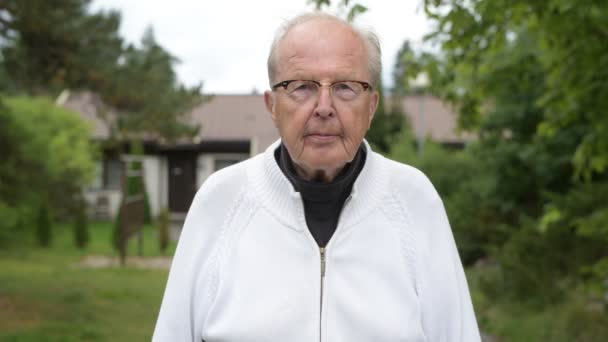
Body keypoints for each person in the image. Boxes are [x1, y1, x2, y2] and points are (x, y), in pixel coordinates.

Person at [153, 12, 480, 342]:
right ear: (272, 105)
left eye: (346, 88)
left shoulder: (414, 200)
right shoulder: (221, 201)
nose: (324, 107)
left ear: (372, 107)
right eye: (302, 87)